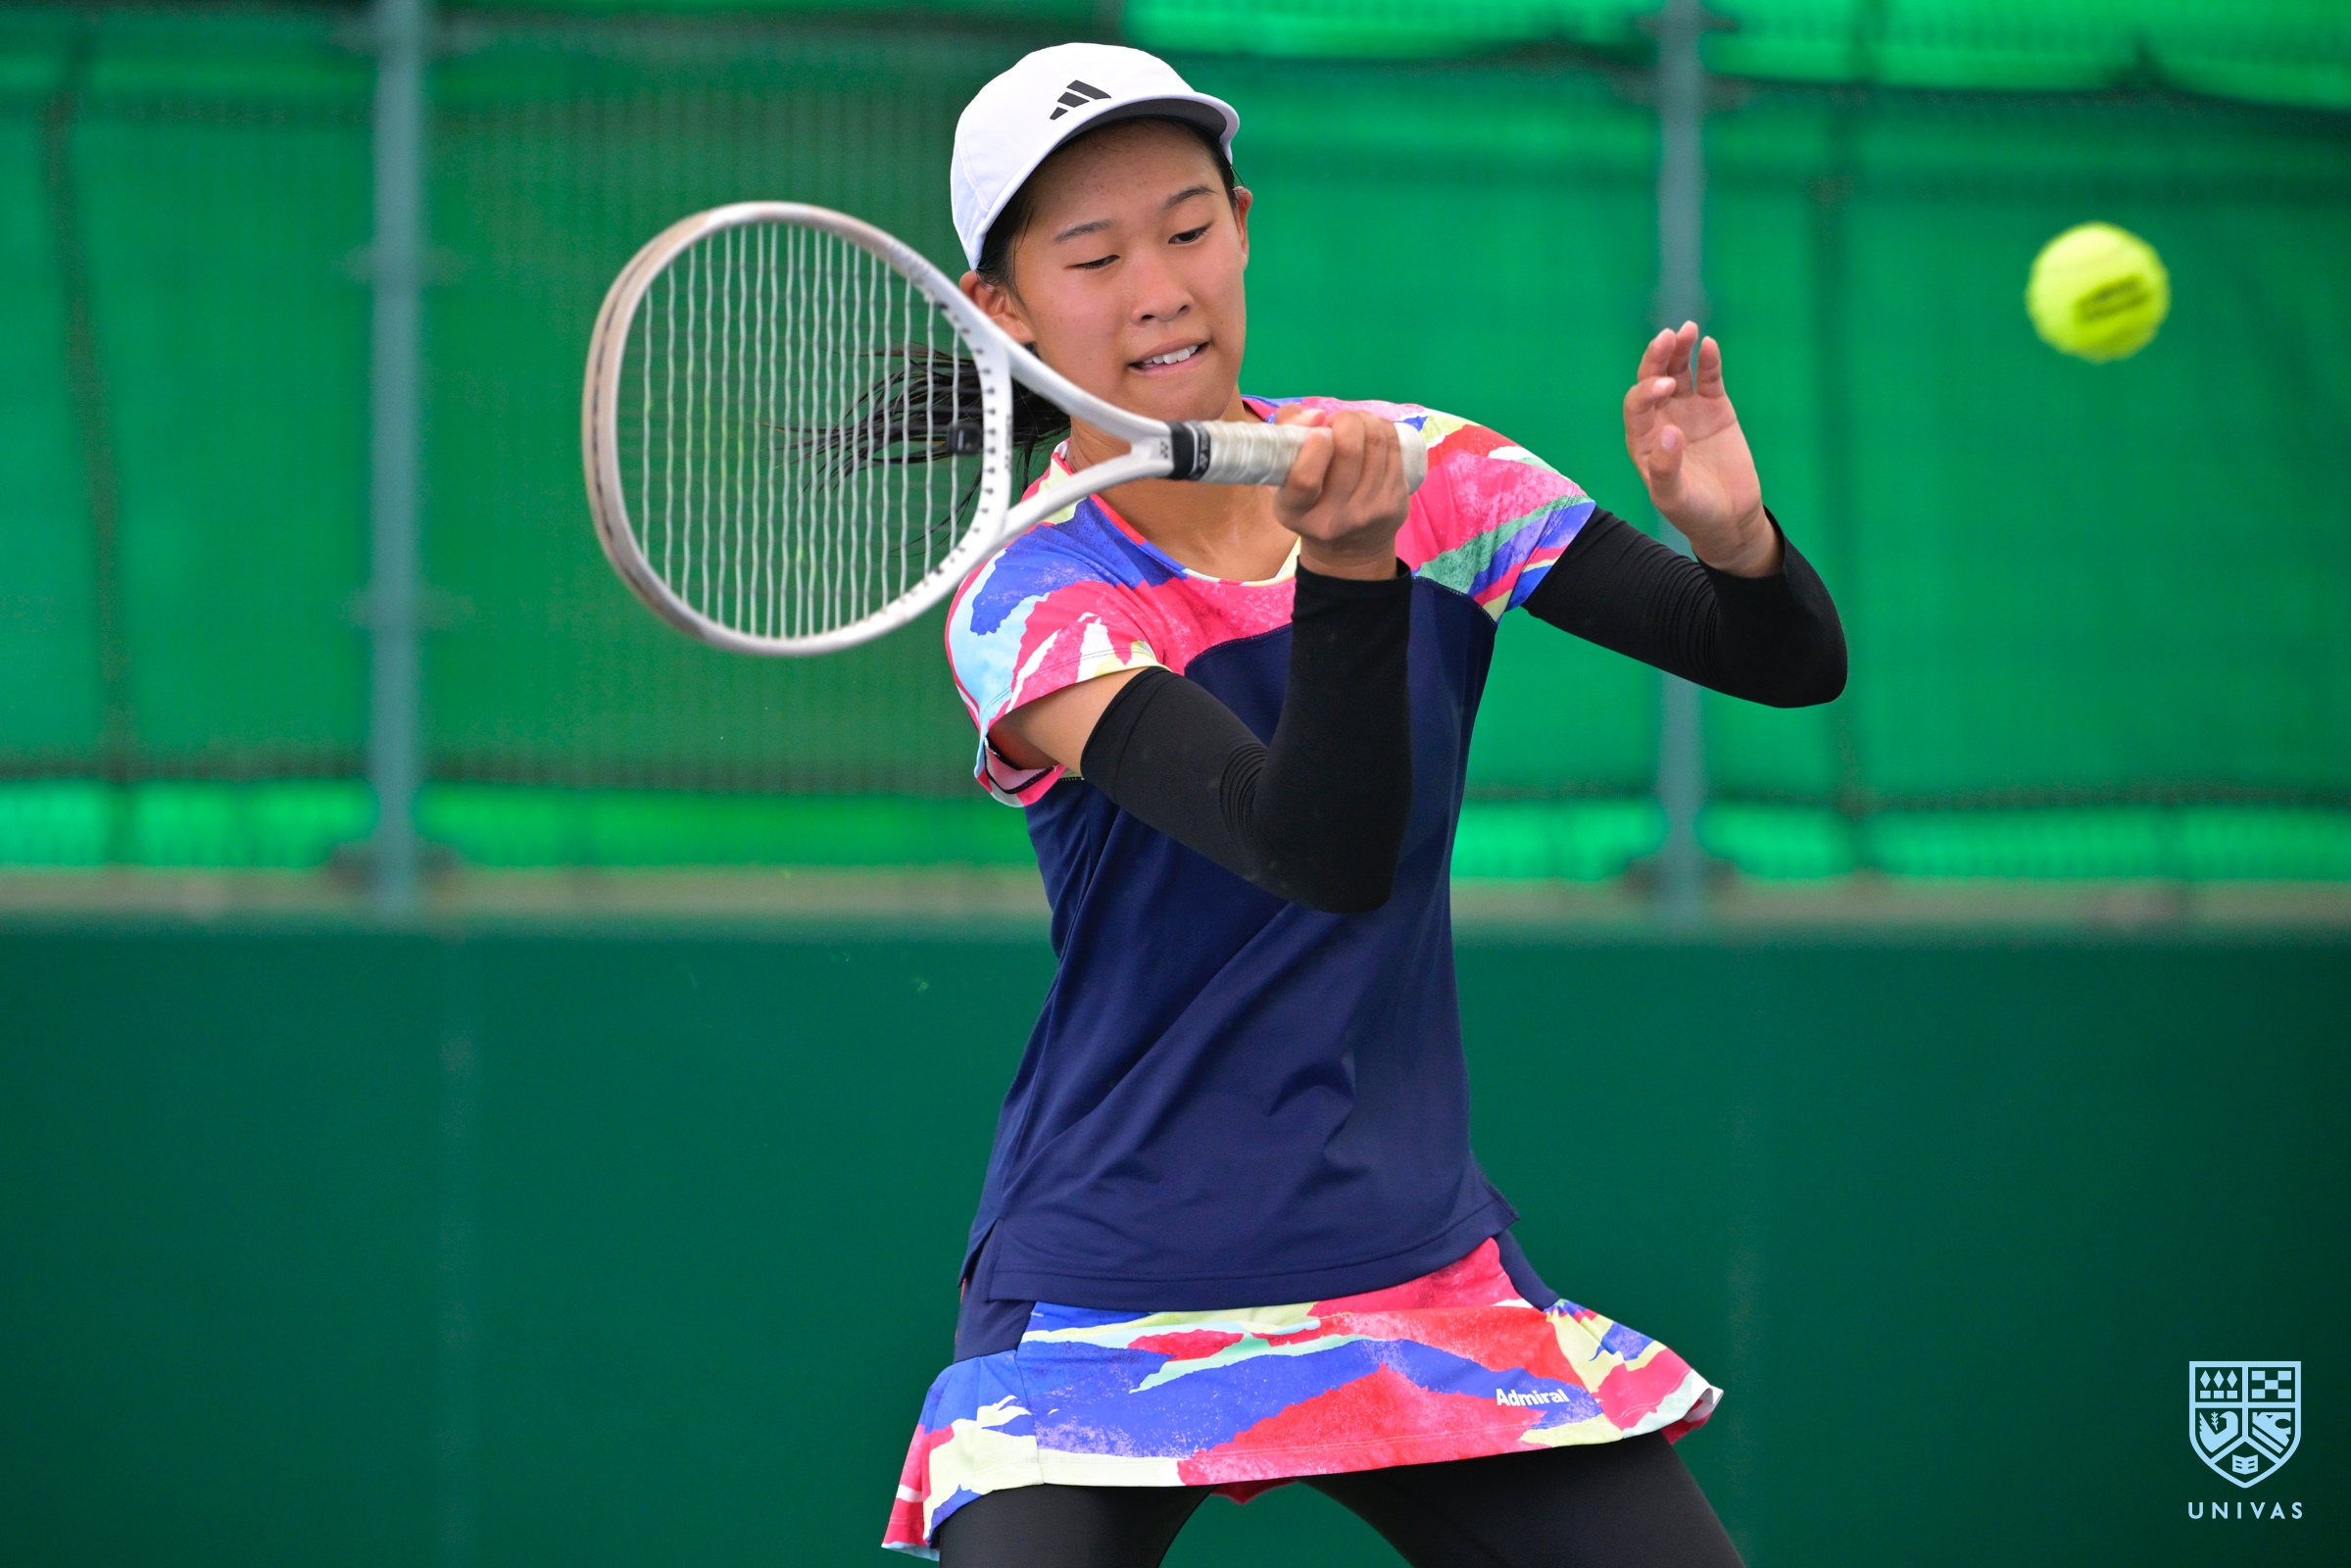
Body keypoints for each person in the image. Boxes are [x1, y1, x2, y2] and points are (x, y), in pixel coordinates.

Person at [882, 41, 1844, 1568]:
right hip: (1112, 1287)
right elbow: (1310, 848)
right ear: (1003, 309)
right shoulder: (1032, 599)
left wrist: (1735, 539)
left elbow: (1780, 662)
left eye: (1189, 228)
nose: (1160, 290)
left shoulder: (1426, 472)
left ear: (1244, 226)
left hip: (1410, 1269)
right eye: (1096, 256)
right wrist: (1347, 573)